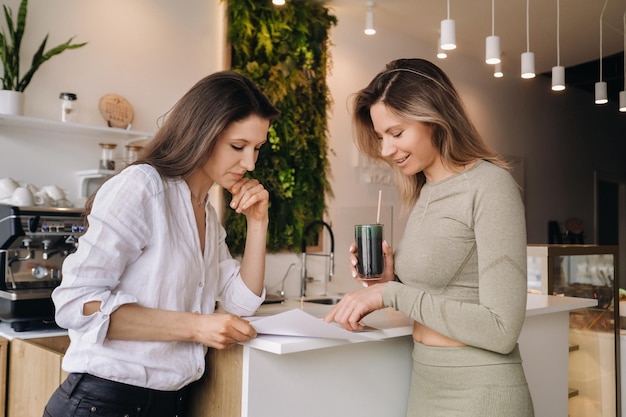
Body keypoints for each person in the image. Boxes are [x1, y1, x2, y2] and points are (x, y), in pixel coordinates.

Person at [43, 71, 279, 417]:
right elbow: (74, 303)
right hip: (104, 403)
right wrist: (198, 326)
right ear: (203, 133)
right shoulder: (143, 188)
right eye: (237, 146)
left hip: (169, 403)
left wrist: (258, 223)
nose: (250, 163)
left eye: (257, 148)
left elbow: (240, 302)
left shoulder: (205, 214)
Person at [325, 58, 534, 417]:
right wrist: (389, 279)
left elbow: (502, 329)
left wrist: (391, 293)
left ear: (435, 119)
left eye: (396, 133)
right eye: (380, 136)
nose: (386, 150)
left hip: (483, 393)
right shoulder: (424, 191)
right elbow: (439, 295)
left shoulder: (490, 185)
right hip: (426, 385)